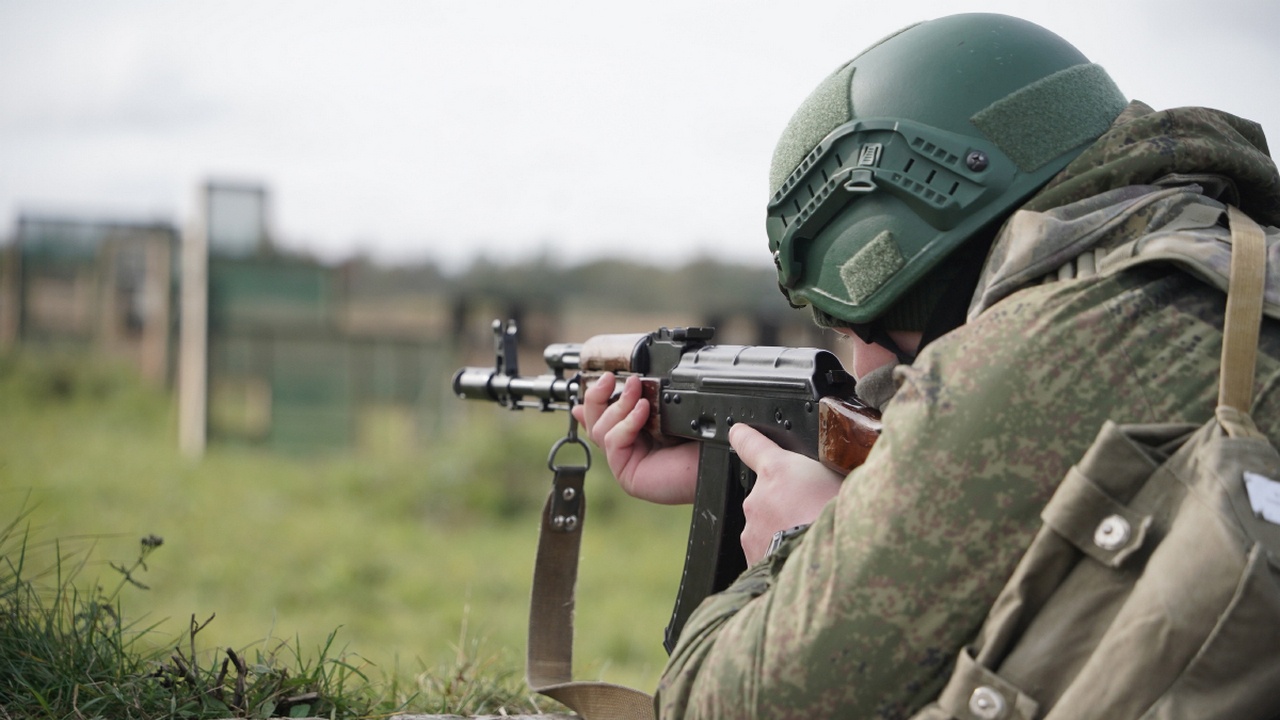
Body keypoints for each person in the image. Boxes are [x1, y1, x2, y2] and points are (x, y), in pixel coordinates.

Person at [572, 12, 1280, 719]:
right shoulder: (1231, 275)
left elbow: (723, 704)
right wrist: (748, 473)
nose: (860, 366)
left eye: (850, 325)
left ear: (905, 271)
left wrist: (803, 543)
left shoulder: (1020, 361)